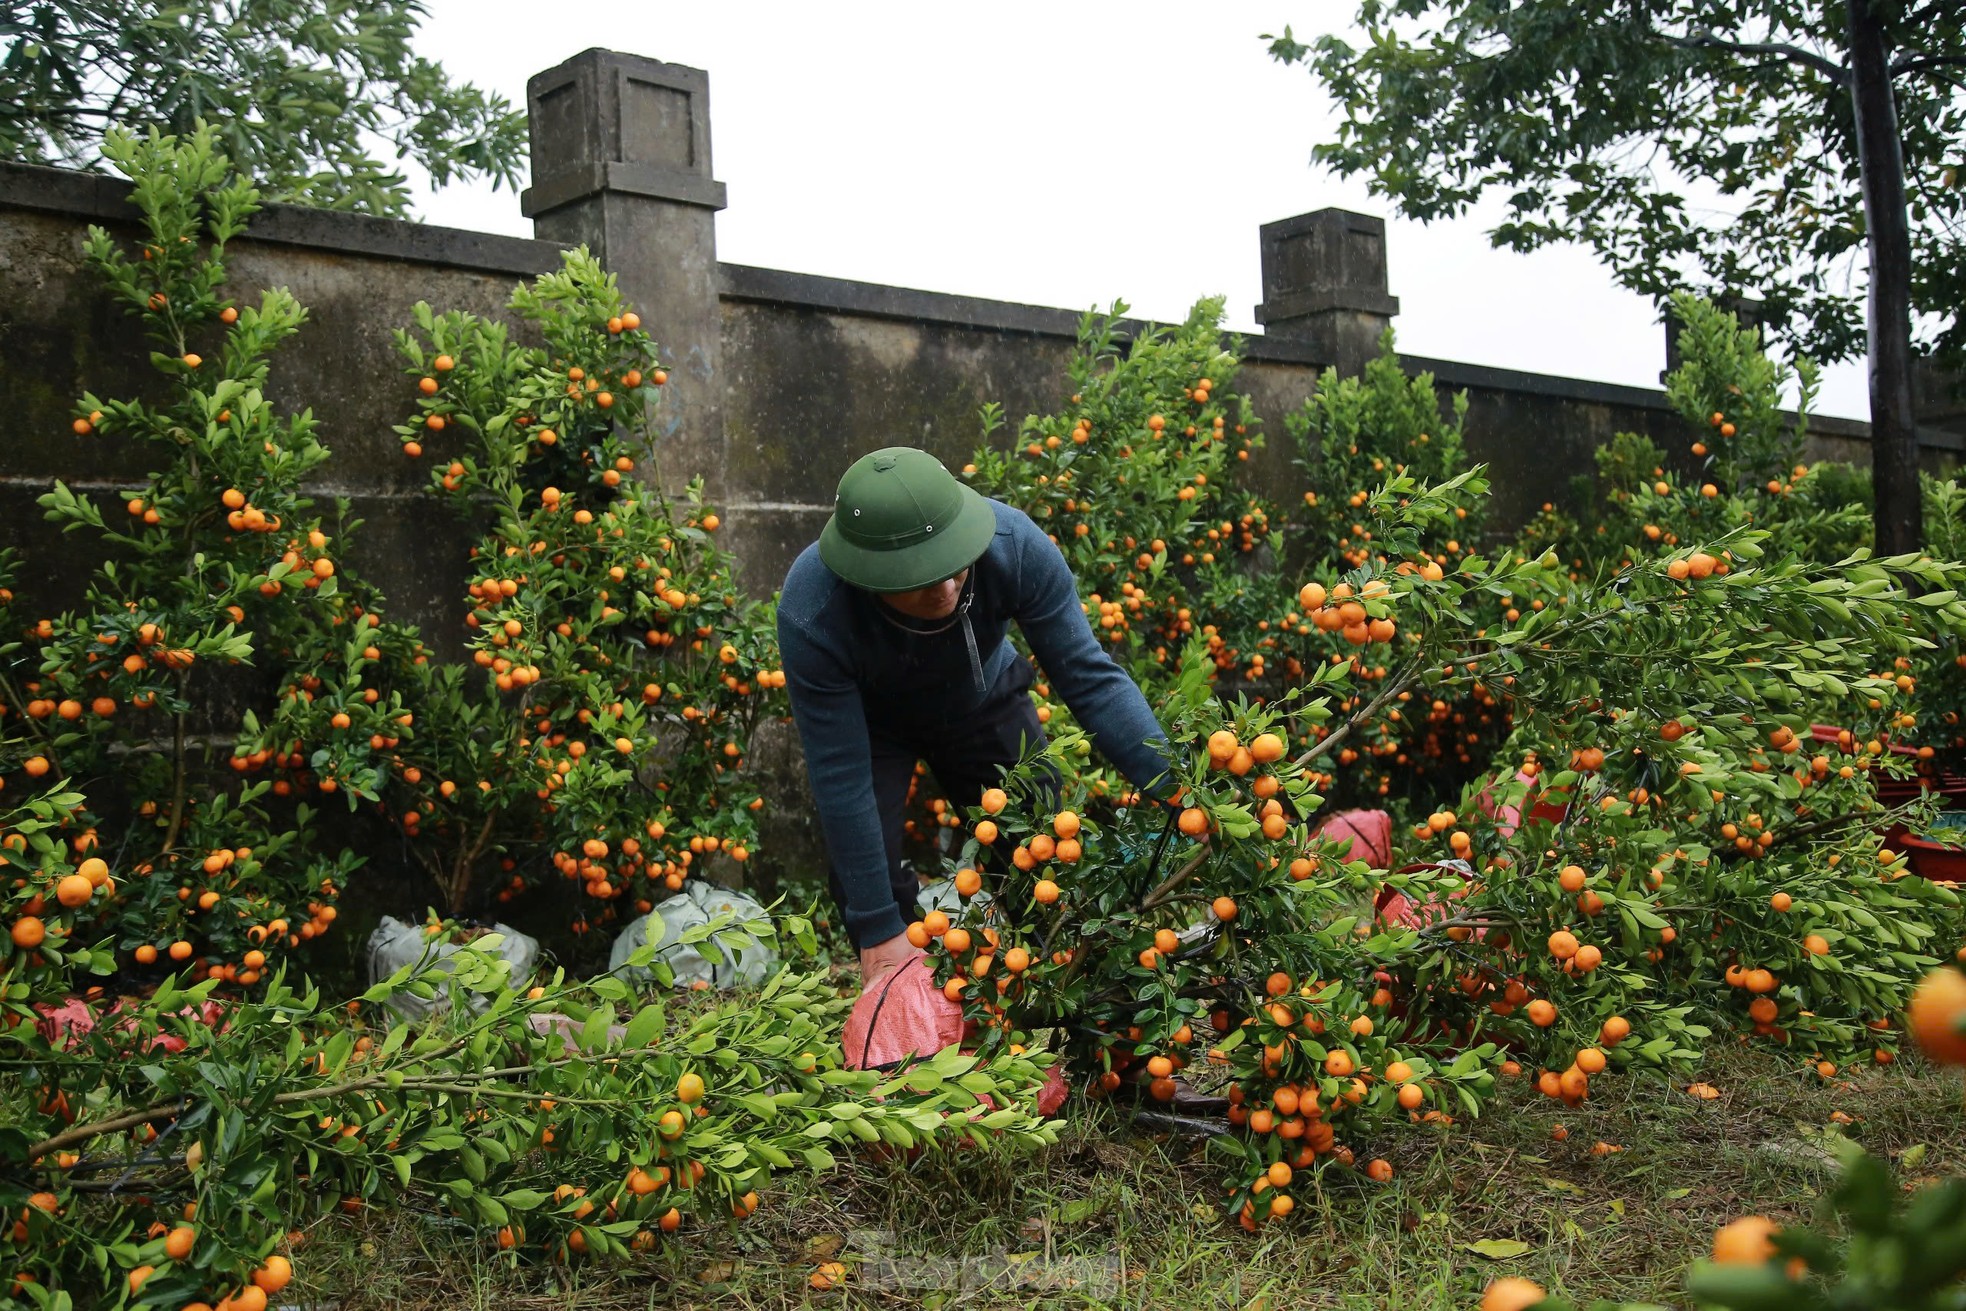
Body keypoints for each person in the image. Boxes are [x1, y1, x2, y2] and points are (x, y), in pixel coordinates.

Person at [777, 446, 1174, 993]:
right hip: (874, 729)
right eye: (918, 579)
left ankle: (1073, 997)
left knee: (1041, 849)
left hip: (984, 700)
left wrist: (1180, 786)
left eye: (953, 568)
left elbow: (1092, 679)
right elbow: (839, 770)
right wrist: (876, 931)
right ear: (869, 577)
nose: (944, 590)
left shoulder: (1013, 546)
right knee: (865, 890)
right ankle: (900, 1007)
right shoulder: (814, 608)